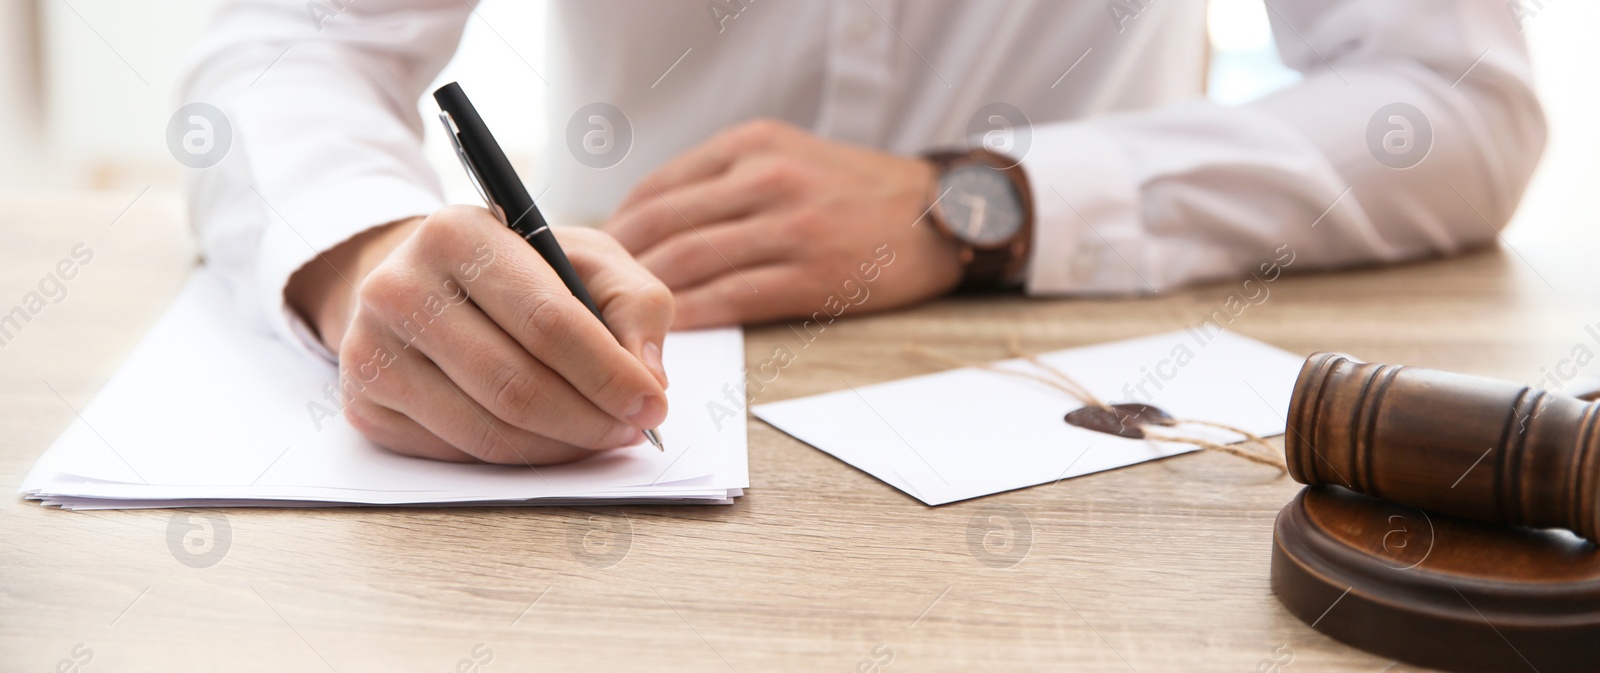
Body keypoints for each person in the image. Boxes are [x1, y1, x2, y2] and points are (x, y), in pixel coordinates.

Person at [178, 0, 1544, 465]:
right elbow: (288, 41)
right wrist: (363, 253)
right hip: (635, 346)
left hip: (1092, 394)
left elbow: (1452, 101)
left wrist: (985, 200)